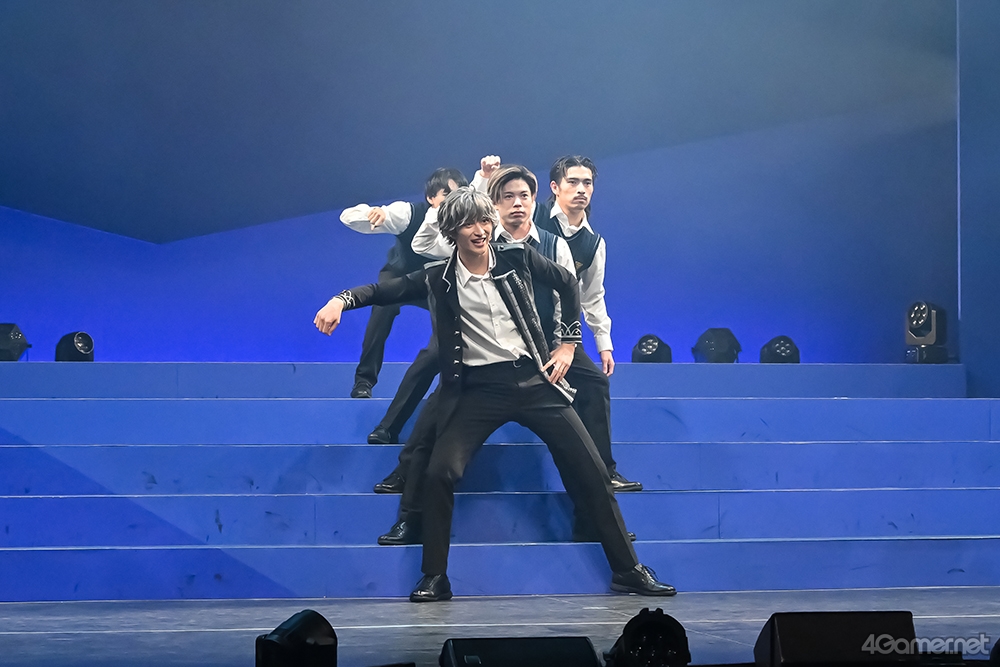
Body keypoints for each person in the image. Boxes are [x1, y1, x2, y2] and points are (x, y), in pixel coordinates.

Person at [315, 187, 676, 601]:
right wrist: (339, 300)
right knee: (439, 473)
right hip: (477, 390)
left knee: (592, 470)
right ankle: (435, 577)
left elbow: (567, 282)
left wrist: (568, 343)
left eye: (485, 220)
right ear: (452, 231)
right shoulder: (439, 277)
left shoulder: (516, 257)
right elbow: (382, 291)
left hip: (535, 382)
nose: (480, 230)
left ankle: (628, 570)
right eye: (469, 223)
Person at [534, 155, 641, 492]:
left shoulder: (593, 243)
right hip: (515, 331)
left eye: (587, 183)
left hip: (560, 337)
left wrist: (603, 344)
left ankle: (603, 472)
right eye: (573, 182)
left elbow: (592, 296)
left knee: (594, 384)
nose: (581, 189)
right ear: (555, 187)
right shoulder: (532, 218)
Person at [339, 167, 467, 405]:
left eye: (459, 195)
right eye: (447, 195)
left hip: (434, 283)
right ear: (431, 198)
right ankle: (364, 382)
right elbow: (347, 217)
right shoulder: (408, 214)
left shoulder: (466, 224)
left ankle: (457, 385)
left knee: (458, 321)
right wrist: (373, 213)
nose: (454, 201)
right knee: (382, 309)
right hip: (400, 276)